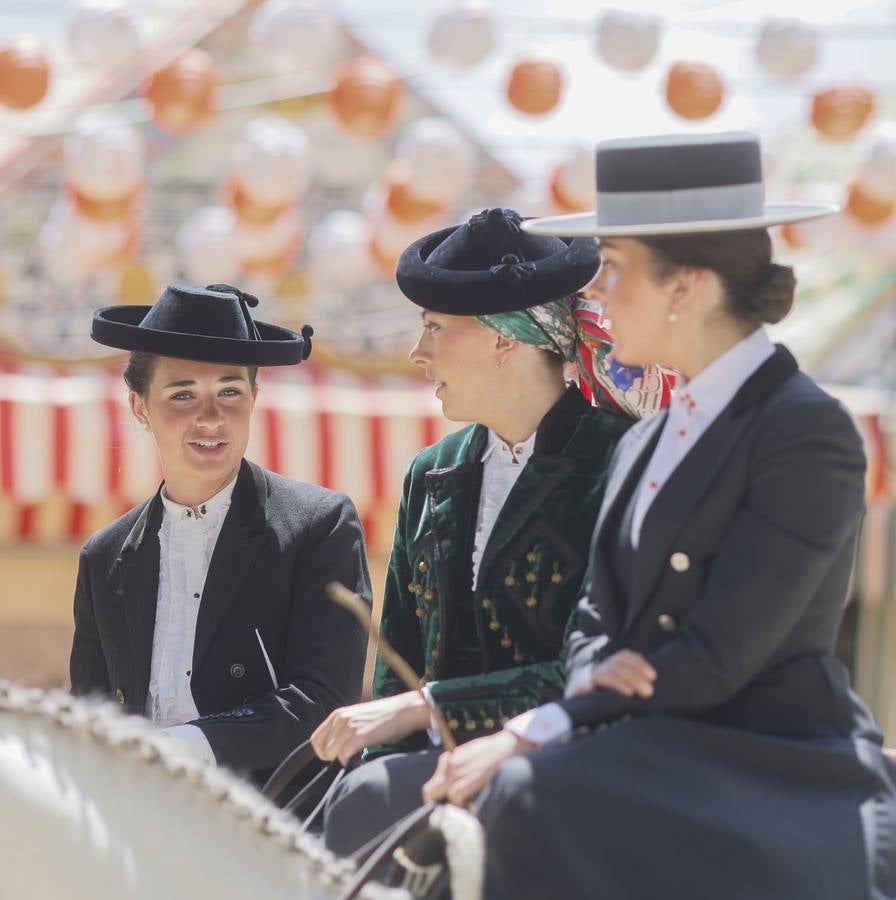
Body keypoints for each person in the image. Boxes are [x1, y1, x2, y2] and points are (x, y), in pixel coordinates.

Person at [422, 133, 896, 900]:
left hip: (765, 756)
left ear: (688, 287)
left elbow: (721, 650)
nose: (597, 293)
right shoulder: (645, 435)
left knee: (523, 791)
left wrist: (539, 725)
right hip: (642, 737)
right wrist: (591, 681)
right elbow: (594, 620)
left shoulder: (806, 428)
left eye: (613, 267)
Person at [311, 207, 670, 855]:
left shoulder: (624, 461)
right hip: (432, 784)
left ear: (507, 338)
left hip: (578, 771)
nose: (416, 354)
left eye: (434, 328)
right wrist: (382, 749)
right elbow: (400, 664)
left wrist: (427, 707)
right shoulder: (430, 472)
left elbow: (598, 669)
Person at [70, 282, 372, 788]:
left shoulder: (320, 525)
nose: (210, 417)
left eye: (229, 391)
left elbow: (323, 699)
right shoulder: (104, 556)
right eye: (182, 394)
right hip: (139, 811)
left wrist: (177, 748)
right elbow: (90, 713)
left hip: (274, 813)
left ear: (255, 396)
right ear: (140, 407)